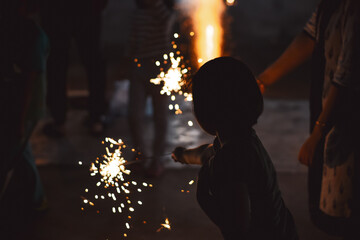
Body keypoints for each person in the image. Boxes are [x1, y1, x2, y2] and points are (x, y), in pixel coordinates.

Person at [257, 0, 360, 238]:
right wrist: (263, 79)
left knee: (348, 207)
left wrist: (317, 134)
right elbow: (309, 37)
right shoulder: (330, 5)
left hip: (347, 118)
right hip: (329, 112)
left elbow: (346, 76)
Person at [172, 57, 298, 239]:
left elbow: (237, 228)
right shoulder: (243, 140)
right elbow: (205, 153)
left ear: (206, 111)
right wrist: (183, 155)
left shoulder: (230, 161)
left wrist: (204, 199)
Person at [0, 0, 48, 235]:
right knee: (21, 151)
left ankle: (36, 198)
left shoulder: (31, 36)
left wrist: (20, 120)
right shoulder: (19, 30)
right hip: (17, 104)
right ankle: (37, 198)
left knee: (13, 149)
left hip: (26, 107)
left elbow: (30, 82)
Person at [39, 0, 109, 137]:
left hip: (57, 9)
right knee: (93, 61)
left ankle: (59, 121)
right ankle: (96, 119)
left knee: (57, 63)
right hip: (86, 7)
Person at [126, 0, 176, 177]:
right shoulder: (137, 12)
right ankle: (140, 156)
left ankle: (157, 160)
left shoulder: (161, 10)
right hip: (138, 68)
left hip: (160, 67)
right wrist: (128, 62)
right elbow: (133, 39)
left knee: (160, 116)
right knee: (134, 115)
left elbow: (169, 20)